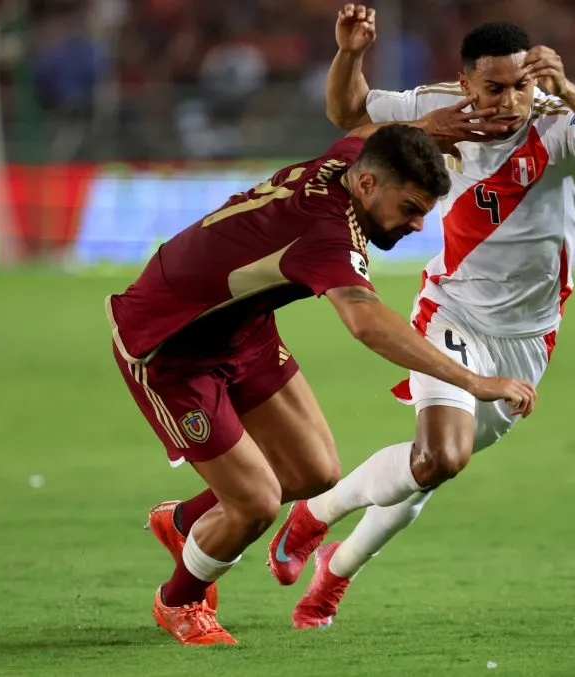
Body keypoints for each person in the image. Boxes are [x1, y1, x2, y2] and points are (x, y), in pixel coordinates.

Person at [107, 104, 538, 646]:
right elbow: (366, 322)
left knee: (315, 471)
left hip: (242, 328)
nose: (417, 225)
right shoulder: (324, 232)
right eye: (409, 208)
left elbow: (364, 132)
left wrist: (430, 126)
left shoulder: (350, 165)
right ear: (366, 184)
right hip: (169, 346)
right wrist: (474, 382)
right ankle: (180, 600)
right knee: (258, 503)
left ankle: (186, 522)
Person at [268, 6, 575, 629]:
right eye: (494, 88)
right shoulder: (439, 106)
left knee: (426, 470)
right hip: (453, 311)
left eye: (520, 86)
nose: (509, 101)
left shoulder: (556, 123)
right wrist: (350, 53)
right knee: (443, 455)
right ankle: (315, 520)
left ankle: (334, 568)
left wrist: (566, 88)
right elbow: (347, 113)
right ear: (467, 83)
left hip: (531, 335)